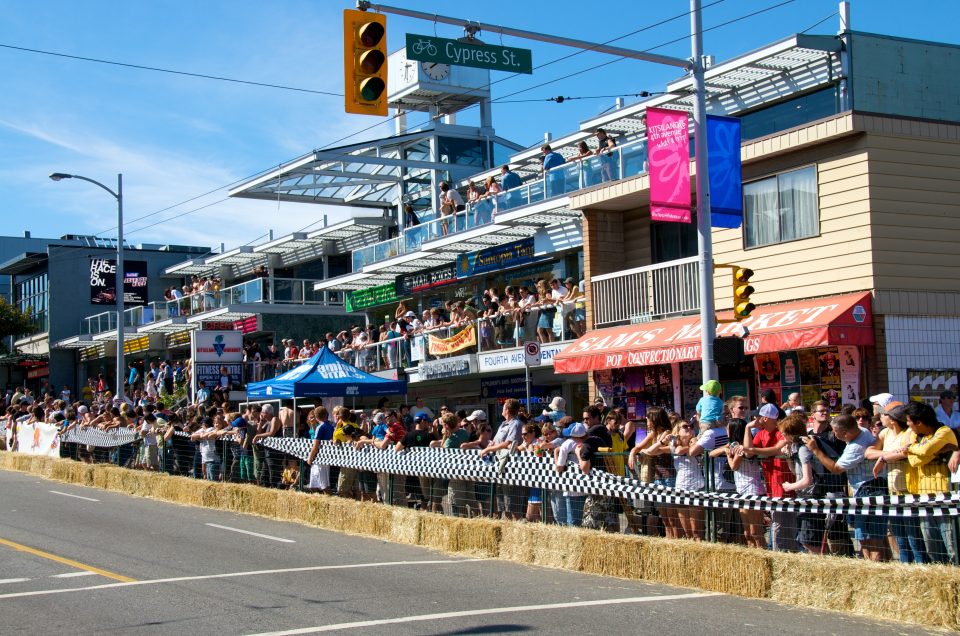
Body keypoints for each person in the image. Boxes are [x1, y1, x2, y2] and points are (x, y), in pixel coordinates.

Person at [805, 414, 887, 562]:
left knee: (871, 540)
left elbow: (836, 468)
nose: (834, 435)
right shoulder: (862, 430)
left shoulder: (856, 447)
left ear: (845, 433)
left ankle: (876, 571)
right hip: (867, 488)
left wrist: (815, 450)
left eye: (835, 432)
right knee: (866, 539)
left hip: (868, 489)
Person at [866, 402, 928, 563]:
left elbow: (906, 452)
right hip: (892, 489)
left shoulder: (908, 433)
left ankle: (921, 565)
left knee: (913, 534)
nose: (880, 417)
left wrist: (884, 458)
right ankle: (905, 564)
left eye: (883, 414)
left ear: (892, 419)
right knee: (899, 534)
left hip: (908, 488)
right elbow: (868, 452)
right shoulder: (885, 433)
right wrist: (886, 455)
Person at [900, 400, 958, 564]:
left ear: (919, 422)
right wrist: (932, 452)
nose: (907, 425)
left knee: (952, 546)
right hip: (924, 496)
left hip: (945, 497)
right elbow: (915, 462)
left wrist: (912, 449)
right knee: (933, 548)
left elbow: (923, 451)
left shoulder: (944, 432)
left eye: (909, 421)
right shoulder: (915, 435)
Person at [744, 403, 799, 552]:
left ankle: (782, 551)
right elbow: (748, 453)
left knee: (783, 522)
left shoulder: (781, 431)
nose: (756, 418)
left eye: (758, 416)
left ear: (765, 418)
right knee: (778, 520)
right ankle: (783, 550)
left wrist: (751, 449)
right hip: (771, 482)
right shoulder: (761, 433)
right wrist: (747, 428)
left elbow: (775, 449)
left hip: (784, 481)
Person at [479, 398, 525, 520]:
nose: (502, 409)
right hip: (500, 466)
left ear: (508, 410)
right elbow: (496, 440)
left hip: (510, 467)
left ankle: (517, 529)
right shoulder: (503, 424)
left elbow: (508, 443)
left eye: (504, 407)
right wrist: (490, 444)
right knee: (502, 504)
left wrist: (488, 449)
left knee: (512, 503)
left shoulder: (516, 424)